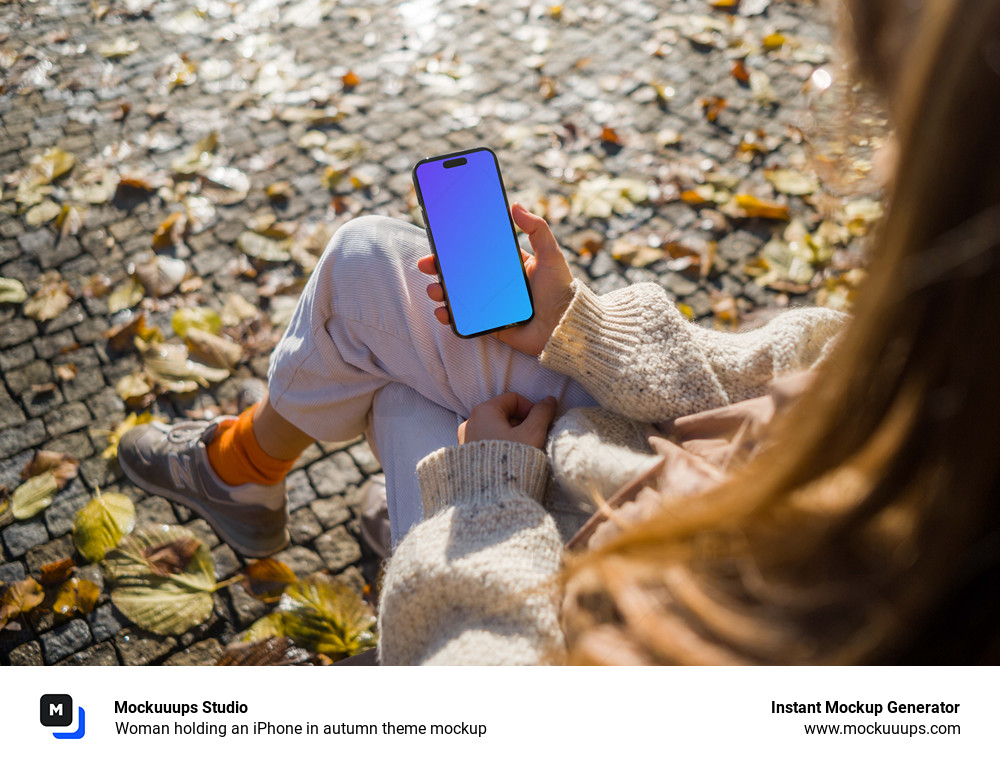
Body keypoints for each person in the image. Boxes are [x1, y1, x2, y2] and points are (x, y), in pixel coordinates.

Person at [120, 0, 1000, 665]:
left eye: (886, 115)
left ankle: (259, 473)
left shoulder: (800, 635)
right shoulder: (937, 357)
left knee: (388, 378)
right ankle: (260, 472)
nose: (867, 145)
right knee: (370, 271)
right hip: (618, 441)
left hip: (560, 533)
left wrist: (485, 494)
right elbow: (768, 365)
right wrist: (578, 329)